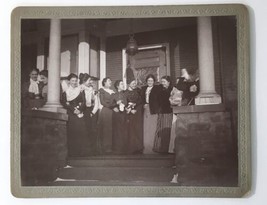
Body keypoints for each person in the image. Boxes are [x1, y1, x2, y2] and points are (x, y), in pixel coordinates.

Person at [62, 73, 89, 157]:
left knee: (81, 132)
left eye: (76, 81)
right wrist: (73, 110)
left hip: (80, 113)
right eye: (72, 81)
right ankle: (73, 152)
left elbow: (84, 102)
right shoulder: (65, 92)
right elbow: (64, 103)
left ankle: (81, 153)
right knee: (72, 132)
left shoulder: (80, 91)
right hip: (71, 114)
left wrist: (80, 110)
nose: (74, 82)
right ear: (69, 81)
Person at [79, 73, 100, 155]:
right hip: (82, 110)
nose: (91, 82)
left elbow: (96, 102)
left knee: (93, 130)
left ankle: (93, 150)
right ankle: (84, 150)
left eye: (91, 80)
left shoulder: (93, 90)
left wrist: (93, 112)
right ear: (84, 81)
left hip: (91, 111)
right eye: (89, 80)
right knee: (84, 130)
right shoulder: (80, 89)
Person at [153, 76, 175, 153]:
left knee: (166, 129)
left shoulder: (172, 90)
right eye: (162, 82)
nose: (163, 83)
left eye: (164, 82)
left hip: (168, 112)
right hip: (161, 112)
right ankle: (159, 148)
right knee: (159, 129)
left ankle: (165, 148)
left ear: (169, 82)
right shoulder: (160, 90)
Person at [141, 74, 161, 154]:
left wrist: (158, 109)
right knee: (146, 129)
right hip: (146, 109)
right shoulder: (143, 89)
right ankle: (147, 148)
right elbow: (141, 99)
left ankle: (154, 148)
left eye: (151, 81)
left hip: (154, 110)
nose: (150, 82)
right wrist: (143, 104)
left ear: (154, 82)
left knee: (153, 128)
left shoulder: (157, 88)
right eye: (148, 81)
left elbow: (160, 100)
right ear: (146, 81)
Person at [125, 73, 143, 154]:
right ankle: (131, 148)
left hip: (137, 112)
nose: (134, 85)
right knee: (130, 129)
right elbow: (124, 102)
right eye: (132, 83)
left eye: (135, 83)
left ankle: (138, 148)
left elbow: (141, 100)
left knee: (138, 129)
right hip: (129, 113)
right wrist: (130, 109)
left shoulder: (138, 91)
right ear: (129, 84)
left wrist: (136, 105)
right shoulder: (125, 92)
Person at [98, 77, 115, 154]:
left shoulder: (112, 91)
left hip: (113, 111)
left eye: (110, 81)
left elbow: (115, 101)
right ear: (104, 82)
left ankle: (111, 147)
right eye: (109, 81)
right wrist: (111, 106)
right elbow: (102, 102)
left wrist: (115, 106)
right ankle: (105, 147)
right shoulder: (102, 91)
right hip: (106, 111)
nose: (110, 82)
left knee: (112, 128)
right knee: (106, 129)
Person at [112, 80, 128, 154]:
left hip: (124, 114)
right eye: (121, 84)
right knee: (117, 131)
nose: (123, 85)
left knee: (124, 130)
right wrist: (115, 105)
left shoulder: (125, 94)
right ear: (117, 86)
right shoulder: (113, 95)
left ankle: (124, 148)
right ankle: (117, 149)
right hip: (117, 115)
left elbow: (128, 103)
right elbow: (110, 104)